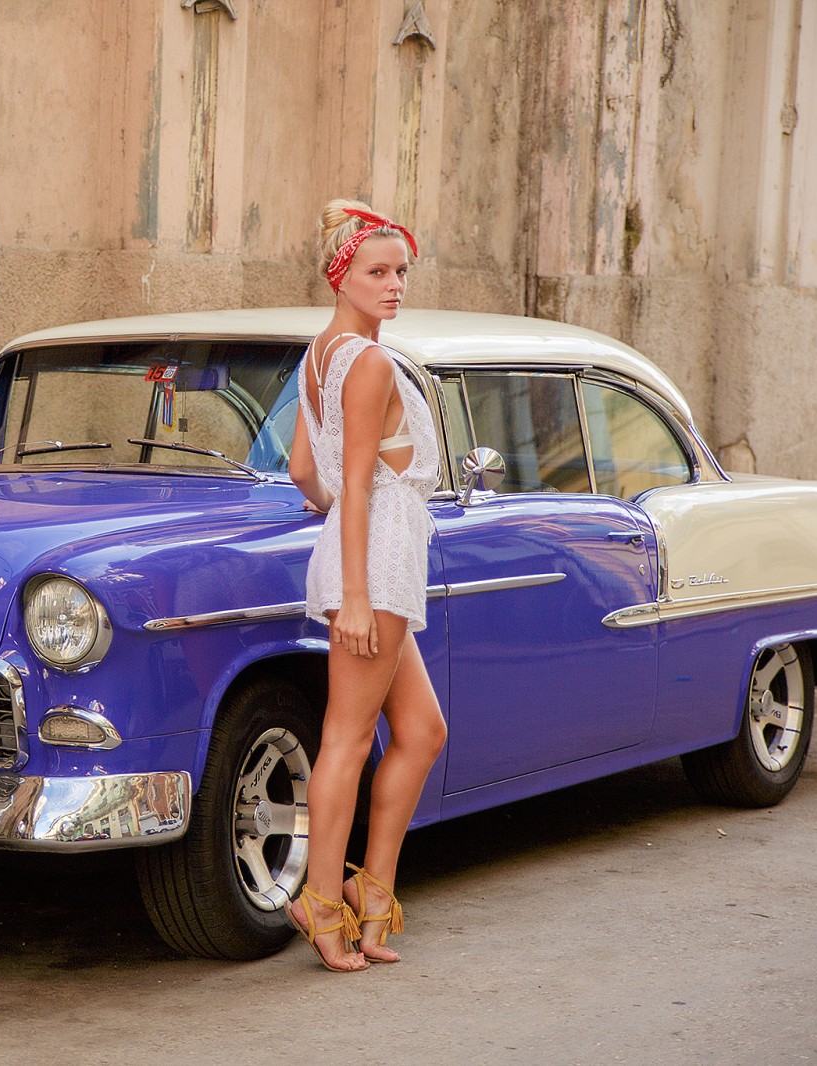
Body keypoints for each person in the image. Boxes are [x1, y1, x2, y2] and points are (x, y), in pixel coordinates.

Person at [285, 199, 450, 972]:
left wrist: (344, 533)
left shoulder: (320, 354)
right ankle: (319, 906)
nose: (394, 286)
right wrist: (354, 592)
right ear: (340, 276)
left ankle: (371, 895)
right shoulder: (371, 361)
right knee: (346, 741)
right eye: (376, 272)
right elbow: (351, 488)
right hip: (374, 566)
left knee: (422, 733)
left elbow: (302, 475)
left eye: (401, 272)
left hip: (370, 557)